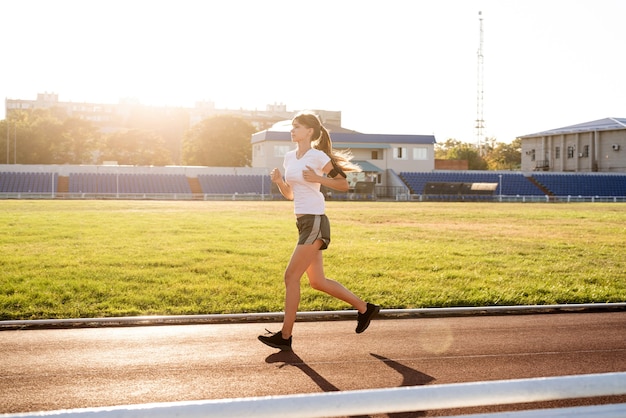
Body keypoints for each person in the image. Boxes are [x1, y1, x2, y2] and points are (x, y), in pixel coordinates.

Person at [258, 111, 380, 351]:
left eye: (297, 127)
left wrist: (318, 178)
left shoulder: (318, 156)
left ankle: (285, 336)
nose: (292, 131)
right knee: (317, 282)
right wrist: (280, 182)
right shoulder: (289, 157)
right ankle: (365, 308)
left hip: (315, 221)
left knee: (291, 277)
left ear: (310, 131)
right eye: (292, 127)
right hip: (303, 222)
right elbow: (291, 194)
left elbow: (343, 184)